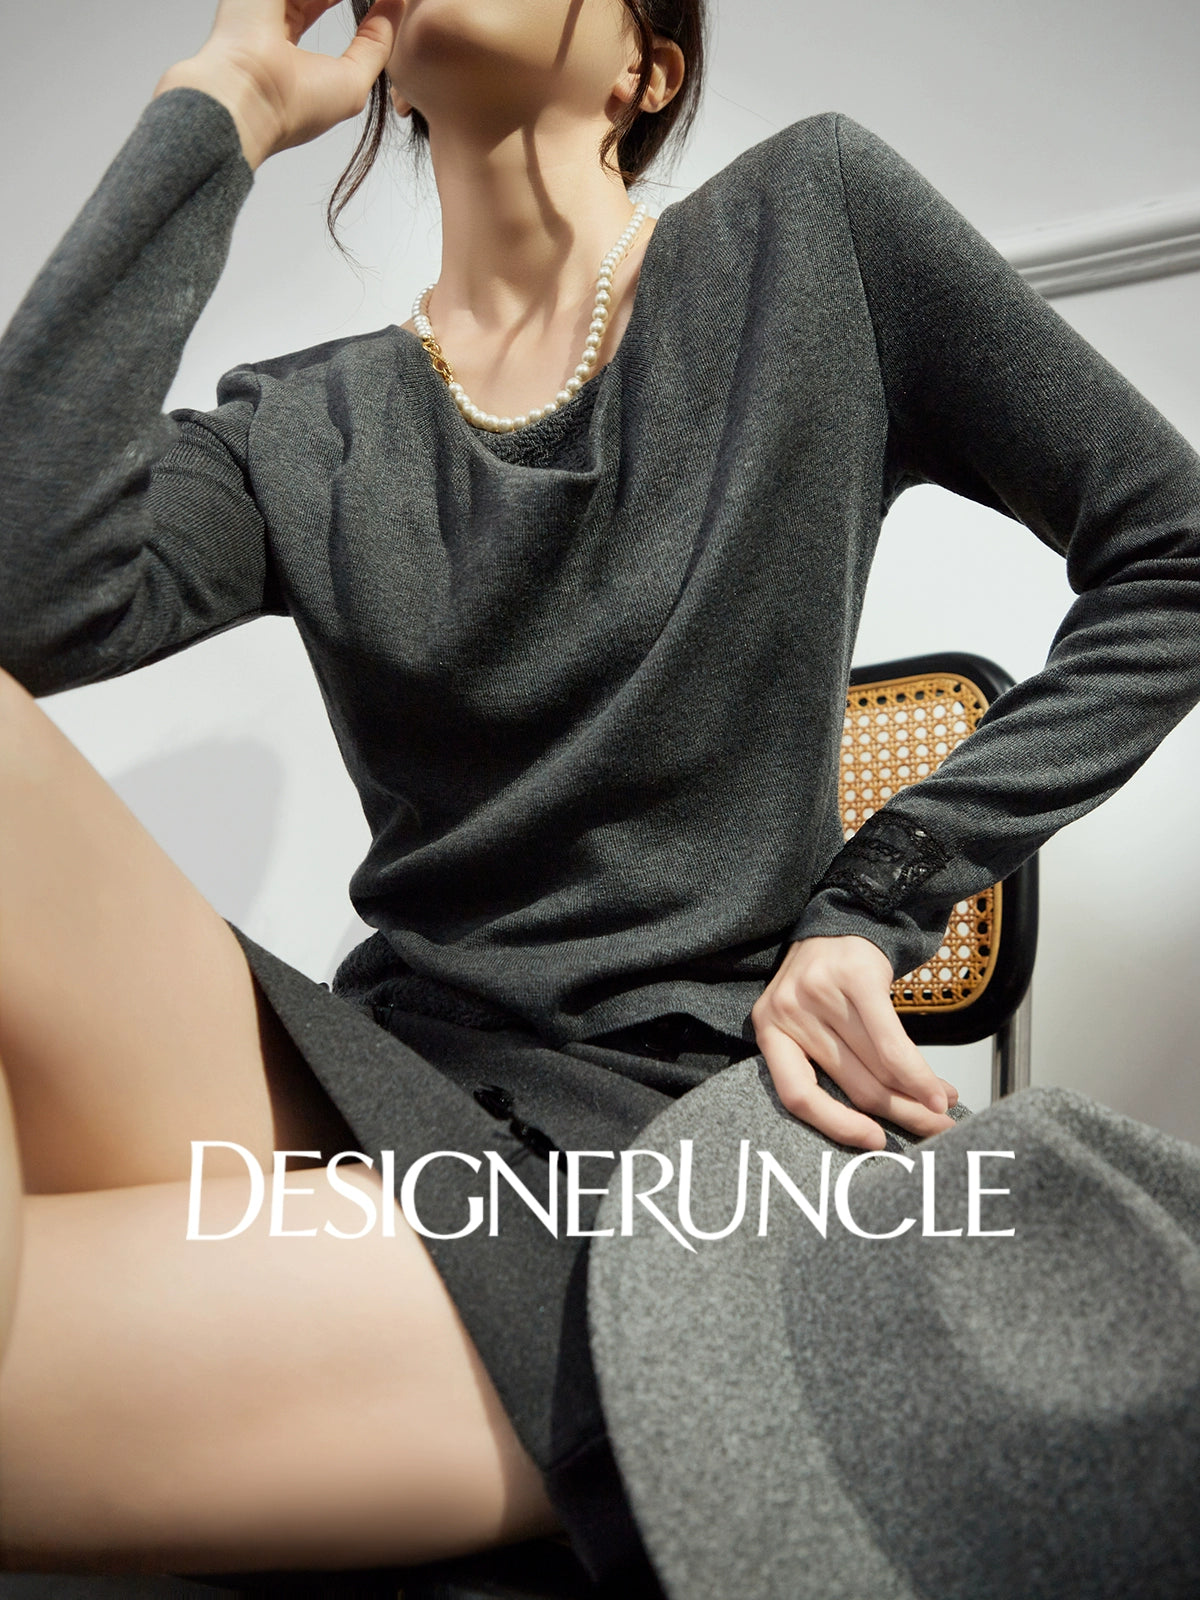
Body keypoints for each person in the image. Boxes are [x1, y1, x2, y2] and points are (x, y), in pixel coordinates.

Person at [2, 0, 1200, 1590]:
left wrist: (877, 900)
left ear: (647, 65)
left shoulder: (812, 230)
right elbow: (23, 588)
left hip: (656, 1139)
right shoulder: (304, 419)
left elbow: (1174, 551)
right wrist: (219, 103)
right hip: (390, 1067)